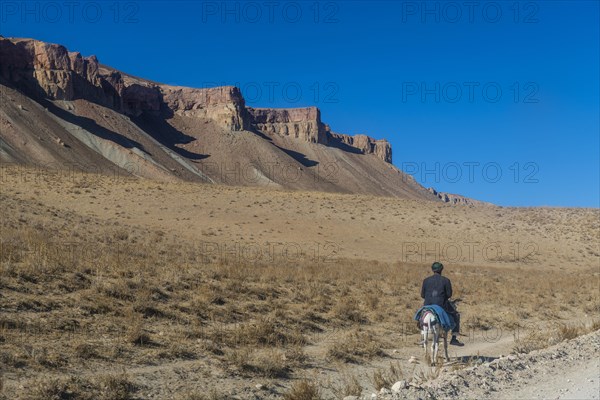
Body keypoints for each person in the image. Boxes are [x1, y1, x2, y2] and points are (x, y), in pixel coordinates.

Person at [421, 261, 463, 346]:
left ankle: (422, 335)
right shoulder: (446, 280)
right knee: (456, 315)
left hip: (427, 304)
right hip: (441, 304)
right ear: (441, 270)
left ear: (432, 270)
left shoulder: (426, 280)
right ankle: (454, 337)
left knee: (421, 315)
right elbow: (449, 294)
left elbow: (422, 295)